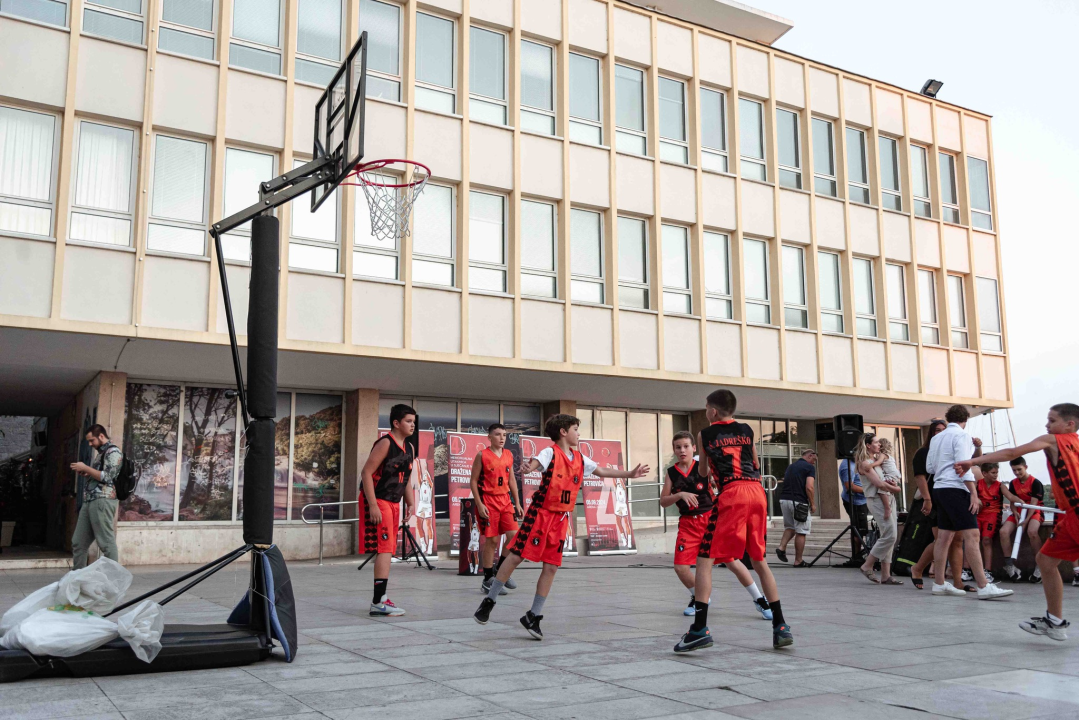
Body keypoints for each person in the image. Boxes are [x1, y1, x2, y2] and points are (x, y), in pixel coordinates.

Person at [473, 414, 648, 638]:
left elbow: (602, 471)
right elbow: (536, 463)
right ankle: (489, 600)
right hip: (541, 513)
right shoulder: (550, 452)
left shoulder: (580, 458)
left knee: (552, 567)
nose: (579, 433)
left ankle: (533, 616)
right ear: (564, 432)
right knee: (516, 556)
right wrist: (528, 468)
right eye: (576, 428)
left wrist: (629, 474)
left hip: (561, 518)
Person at [676, 389, 792, 652]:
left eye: (706, 408)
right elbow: (755, 462)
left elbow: (703, 471)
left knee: (704, 560)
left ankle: (698, 629)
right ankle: (781, 625)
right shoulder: (747, 429)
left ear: (713, 411)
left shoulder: (705, 434)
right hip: (757, 492)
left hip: (733, 493)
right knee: (759, 560)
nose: (706, 412)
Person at [956, 403, 1079, 640]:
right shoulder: (1075, 444)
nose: (1047, 425)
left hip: (1075, 514)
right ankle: (1054, 621)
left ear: (1069, 424)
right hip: (1070, 516)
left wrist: (972, 463)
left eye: (1052, 420)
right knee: (1044, 560)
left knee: (1045, 560)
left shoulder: (1054, 440)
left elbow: (1012, 452)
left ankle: (1054, 621)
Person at [661, 431, 772, 621]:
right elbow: (663, 501)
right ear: (674, 450)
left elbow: (724, 484)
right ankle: (698, 597)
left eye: (686, 446)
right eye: (678, 447)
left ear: (694, 448)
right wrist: (680, 495)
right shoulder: (671, 473)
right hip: (688, 525)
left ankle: (760, 599)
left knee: (732, 562)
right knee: (680, 567)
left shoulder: (703, 468)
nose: (682, 450)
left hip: (711, 520)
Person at [925, 404, 1012, 600]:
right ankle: (983, 585)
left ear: (949, 418)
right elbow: (962, 465)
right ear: (966, 419)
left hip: (939, 488)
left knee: (944, 537)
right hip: (956, 489)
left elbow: (930, 467)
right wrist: (973, 493)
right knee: (972, 535)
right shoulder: (962, 436)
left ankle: (939, 583)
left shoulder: (937, 437)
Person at [359, 403, 418, 616]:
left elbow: (407, 478)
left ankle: (381, 598)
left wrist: (410, 502)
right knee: (384, 548)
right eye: (408, 421)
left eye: (413, 421)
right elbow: (366, 473)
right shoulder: (385, 443)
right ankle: (378, 601)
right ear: (396, 423)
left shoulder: (409, 448)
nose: (412, 425)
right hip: (380, 499)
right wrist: (372, 505)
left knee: (389, 548)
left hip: (395, 501)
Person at [909, 420, 975, 590]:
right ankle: (917, 568)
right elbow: (920, 477)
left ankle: (957, 581)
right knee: (942, 539)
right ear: (930, 433)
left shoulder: (949, 448)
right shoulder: (923, 452)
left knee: (957, 539)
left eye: (942, 430)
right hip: (934, 497)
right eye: (936, 430)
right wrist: (927, 499)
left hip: (951, 496)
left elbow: (966, 464)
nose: (939, 433)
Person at [470, 423, 524, 594]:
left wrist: (518, 502)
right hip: (489, 500)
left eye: (505, 435)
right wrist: (479, 504)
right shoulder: (482, 455)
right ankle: (487, 579)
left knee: (514, 537)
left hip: (505, 500)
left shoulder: (508, 455)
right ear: (489, 437)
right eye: (498, 434)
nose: (502, 438)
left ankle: (501, 571)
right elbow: (473, 481)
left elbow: (512, 480)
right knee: (492, 540)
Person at [69, 424, 121, 569]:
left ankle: (112, 579)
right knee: (78, 542)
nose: (90, 444)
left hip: (103, 500)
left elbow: (108, 477)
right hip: (91, 500)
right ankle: (77, 577)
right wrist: (88, 473)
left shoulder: (113, 452)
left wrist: (86, 467)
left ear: (101, 436)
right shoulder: (101, 454)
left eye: (92, 440)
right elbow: (99, 476)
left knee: (106, 542)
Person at [856, 434, 903, 584]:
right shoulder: (865, 463)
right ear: (868, 445)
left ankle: (886, 575)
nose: (879, 445)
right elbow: (879, 484)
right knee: (890, 535)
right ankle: (867, 564)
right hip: (877, 500)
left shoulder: (875, 461)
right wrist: (895, 488)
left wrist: (891, 487)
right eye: (876, 442)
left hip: (887, 498)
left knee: (888, 535)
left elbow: (885, 480)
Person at [999, 457, 1045, 582]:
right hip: (1018, 512)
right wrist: (1014, 512)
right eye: (1014, 470)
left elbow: (1034, 504)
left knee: (1032, 532)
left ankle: (1040, 566)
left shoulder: (1036, 483)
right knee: (1003, 532)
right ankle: (1010, 565)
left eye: (1019, 469)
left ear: (1026, 467)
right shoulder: (1013, 483)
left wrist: (1026, 521)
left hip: (1034, 511)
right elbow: (1013, 501)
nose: (1017, 473)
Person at [776, 449, 817, 567]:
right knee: (801, 531)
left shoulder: (791, 466)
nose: (814, 463)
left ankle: (781, 547)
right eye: (814, 460)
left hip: (784, 500)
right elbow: (809, 487)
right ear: (810, 456)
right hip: (799, 503)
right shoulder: (809, 468)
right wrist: (812, 504)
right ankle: (798, 560)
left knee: (790, 527)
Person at [976, 462, 1004, 583]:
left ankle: (988, 570)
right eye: (993, 473)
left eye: (996, 473)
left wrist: (1019, 502)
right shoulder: (977, 484)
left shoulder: (1000, 486)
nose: (995, 475)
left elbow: (1010, 496)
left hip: (993, 514)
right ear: (984, 473)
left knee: (987, 540)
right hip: (979, 514)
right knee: (971, 539)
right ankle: (967, 569)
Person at [839, 457, 869, 567]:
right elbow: (849, 486)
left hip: (862, 500)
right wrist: (869, 490)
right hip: (855, 502)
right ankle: (856, 556)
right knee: (858, 529)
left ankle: (859, 555)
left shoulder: (856, 463)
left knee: (861, 528)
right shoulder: (847, 466)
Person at [414, 460, 435, 555]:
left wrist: (426, 471)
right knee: (418, 524)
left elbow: (429, 479)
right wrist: (418, 463)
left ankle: (430, 546)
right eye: (424, 476)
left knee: (428, 525)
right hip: (421, 504)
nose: (424, 476)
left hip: (427, 505)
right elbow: (419, 473)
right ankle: (423, 544)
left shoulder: (430, 485)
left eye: (426, 476)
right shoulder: (421, 484)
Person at [613, 478, 633, 548]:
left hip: (623, 505)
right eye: (618, 481)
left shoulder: (624, 488)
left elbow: (623, 485)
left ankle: (629, 541)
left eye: (619, 481)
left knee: (626, 522)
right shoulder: (616, 487)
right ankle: (624, 539)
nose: (618, 482)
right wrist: (612, 470)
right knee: (618, 522)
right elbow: (614, 481)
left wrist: (621, 478)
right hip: (618, 505)